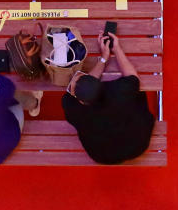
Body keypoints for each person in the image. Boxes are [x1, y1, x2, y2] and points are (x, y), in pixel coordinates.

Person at [62, 32, 156, 164]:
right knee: (138, 93)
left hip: (101, 155)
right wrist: (116, 48)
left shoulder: (72, 107)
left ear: (82, 101)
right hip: (137, 145)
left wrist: (103, 59)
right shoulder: (120, 91)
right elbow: (133, 78)